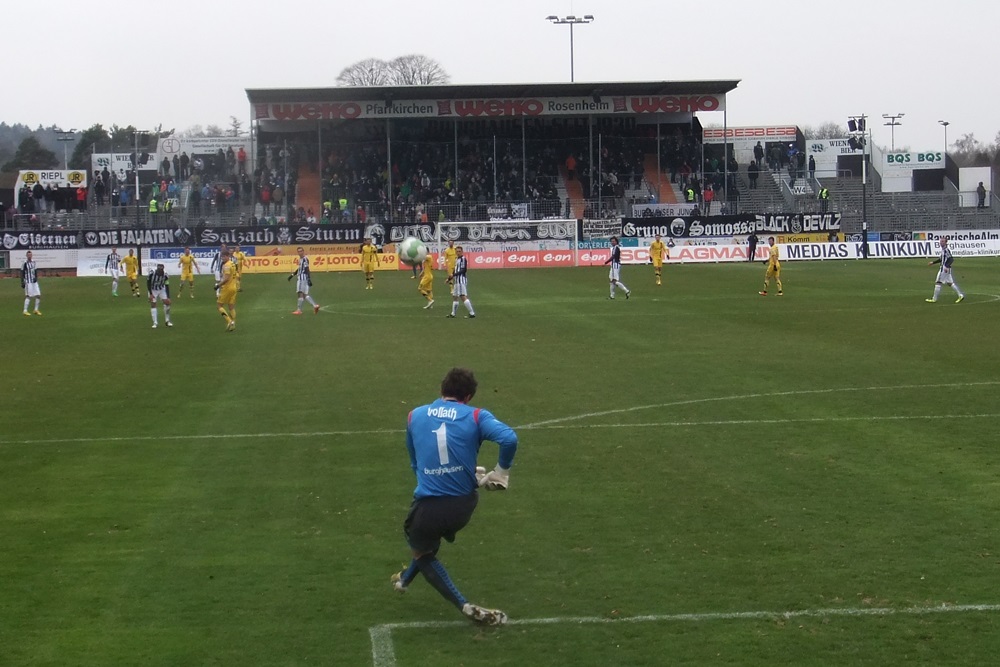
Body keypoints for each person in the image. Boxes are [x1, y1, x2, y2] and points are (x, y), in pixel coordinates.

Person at [392, 367, 517, 626]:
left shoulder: (414, 415)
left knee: (421, 547)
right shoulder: (476, 416)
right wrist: (500, 472)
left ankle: (464, 605)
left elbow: (415, 462)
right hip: (464, 506)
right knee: (428, 537)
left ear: (442, 389)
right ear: (468, 397)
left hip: (430, 507)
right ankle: (404, 580)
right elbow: (509, 439)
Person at [926, 236, 965, 304]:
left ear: (946, 242)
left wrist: (946, 266)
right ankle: (960, 295)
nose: (941, 242)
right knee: (950, 283)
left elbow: (951, 259)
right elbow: (941, 259)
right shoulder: (943, 250)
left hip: (944, 269)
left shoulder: (946, 250)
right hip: (947, 269)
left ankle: (934, 299)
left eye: (942, 241)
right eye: (940, 241)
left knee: (938, 282)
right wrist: (933, 262)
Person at [288, 246, 320, 315]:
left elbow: (307, 269)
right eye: (298, 251)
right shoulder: (301, 259)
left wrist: (309, 278)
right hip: (304, 278)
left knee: (300, 293)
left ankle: (299, 310)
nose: (300, 252)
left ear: (303, 251)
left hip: (302, 278)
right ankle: (315, 305)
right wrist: (292, 275)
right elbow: (299, 268)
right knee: (305, 294)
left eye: (301, 251)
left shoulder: (305, 259)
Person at [447, 247, 476, 318]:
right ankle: (453, 314)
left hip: (461, 280)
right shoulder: (456, 259)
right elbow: (455, 270)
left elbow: (464, 270)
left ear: (462, 252)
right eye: (457, 251)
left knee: (462, 296)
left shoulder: (463, 259)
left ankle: (472, 313)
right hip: (457, 281)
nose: (458, 253)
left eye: (459, 251)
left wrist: (454, 275)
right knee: (455, 296)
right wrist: (449, 278)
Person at [215, 250, 238, 331]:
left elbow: (226, 279)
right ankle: (233, 324)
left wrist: (218, 285)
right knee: (231, 306)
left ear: (228, 256)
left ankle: (229, 321)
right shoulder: (232, 263)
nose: (222, 258)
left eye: (224, 256)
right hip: (234, 287)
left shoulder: (226, 265)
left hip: (227, 288)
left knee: (219, 306)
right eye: (222, 257)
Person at [146, 263, 173, 328]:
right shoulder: (152, 273)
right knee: (153, 304)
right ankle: (155, 322)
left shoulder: (165, 275)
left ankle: (167, 321)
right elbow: (148, 283)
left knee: (167, 302)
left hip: (161, 289)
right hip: (153, 289)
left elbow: (167, 285)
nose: (159, 272)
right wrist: (151, 294)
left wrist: (168, 297)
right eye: (158, 270)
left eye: (161, 271)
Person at [21, 250, 41, 316]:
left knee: (38, 295)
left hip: (34, 281)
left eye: (30, 255)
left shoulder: (34, 262)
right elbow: (22, 272)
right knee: (28, 296)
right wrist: (22, 281)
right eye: (28, 255)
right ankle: (25, 311)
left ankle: (36, 310)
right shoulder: (25, 263)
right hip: (28, 282)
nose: (29, 256)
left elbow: (35, 270)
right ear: (26, 256)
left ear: (32, 255)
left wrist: (36, 278)